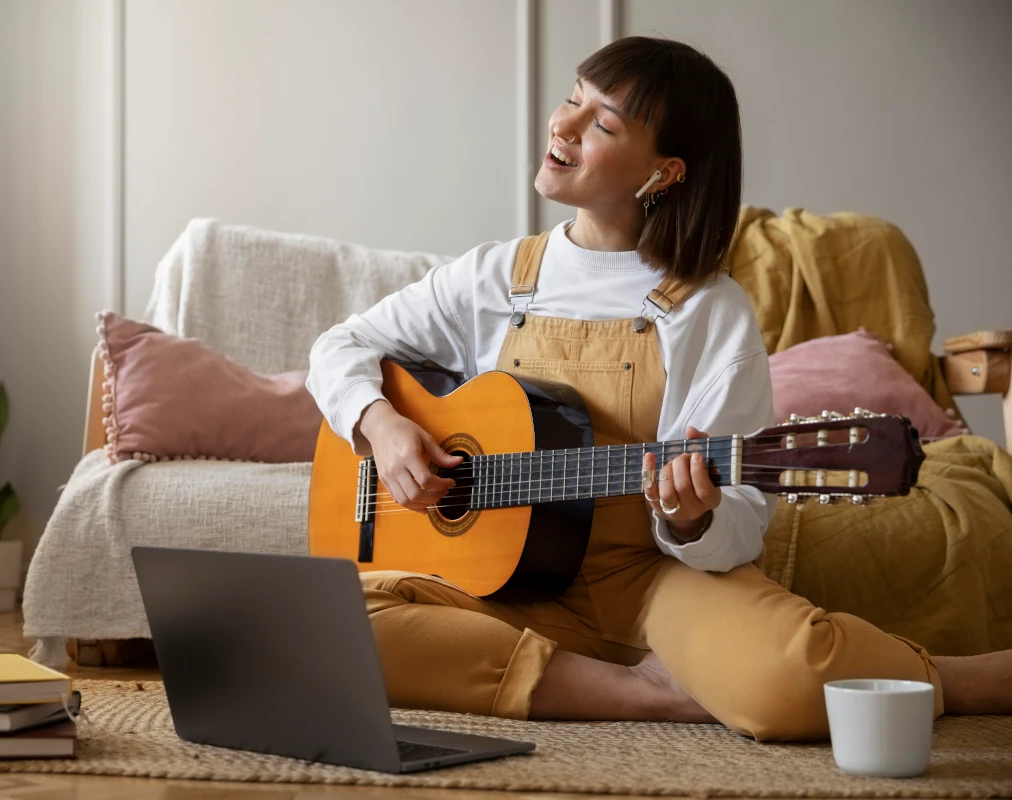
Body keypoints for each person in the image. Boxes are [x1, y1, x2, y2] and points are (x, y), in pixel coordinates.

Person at [305, 36, 1012, 741]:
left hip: (648, 583)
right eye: (573, 99)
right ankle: (646, 694)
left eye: (603, 123)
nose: (564, 125)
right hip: (507, 584)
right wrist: (380, 424)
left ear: (664, 172)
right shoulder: (495, 276)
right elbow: (339, 346)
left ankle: (954, 679)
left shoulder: (709, 309)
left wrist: (691, 520)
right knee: (328, 628)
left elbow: (741, 520)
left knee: (785, 684)